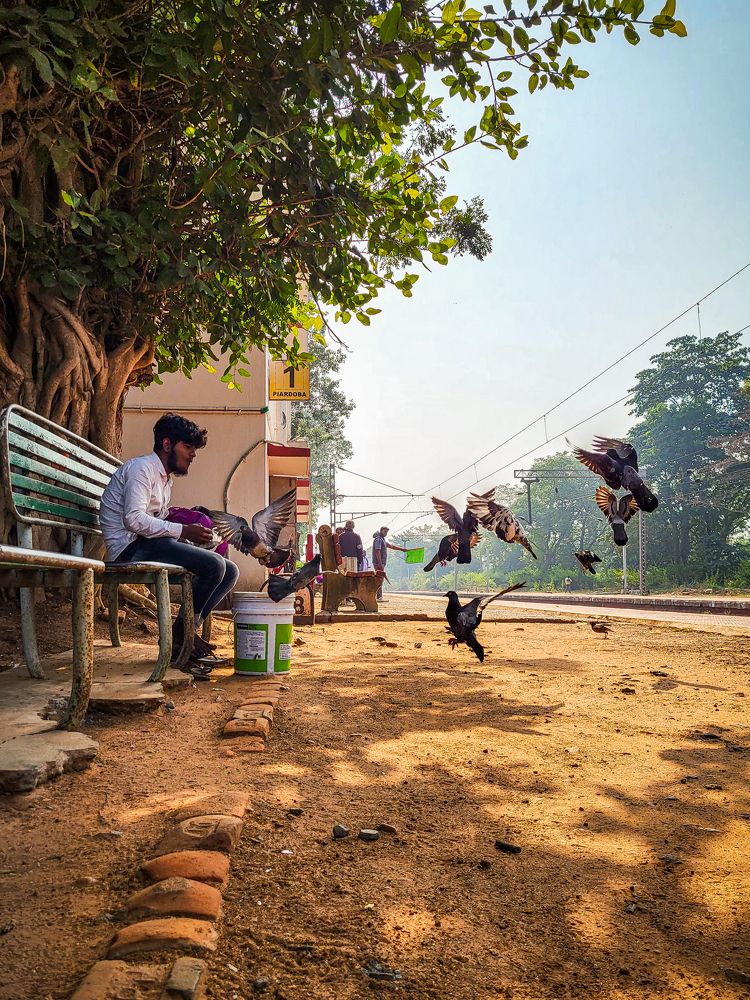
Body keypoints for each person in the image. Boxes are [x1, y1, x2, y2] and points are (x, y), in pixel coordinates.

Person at [99, 412, 239, 674]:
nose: (192, 454)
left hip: (148, 544)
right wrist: (184, 531)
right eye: (187, 447)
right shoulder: (142, 469)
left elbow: (159, 522)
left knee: (229, 570)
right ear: (166, 444)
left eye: (194, 448)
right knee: (214, 566)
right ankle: (181, 639)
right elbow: (134, 519)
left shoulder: (165, 479)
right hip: (129, 548)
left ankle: (183, 634)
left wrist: (195, 537)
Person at [371, 526, 408, 601]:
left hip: (380, 563)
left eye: (387, 532)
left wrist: (402, 549)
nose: (386, 533)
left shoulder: (382, 539)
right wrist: (380, 563)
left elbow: (391, 546)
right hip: (379, 563)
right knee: (379, 579)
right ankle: (379, 597)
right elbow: (377, 551)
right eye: (384, 531)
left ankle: (378, 596)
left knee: (380, 578)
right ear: (381, 531)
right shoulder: (378, 539)